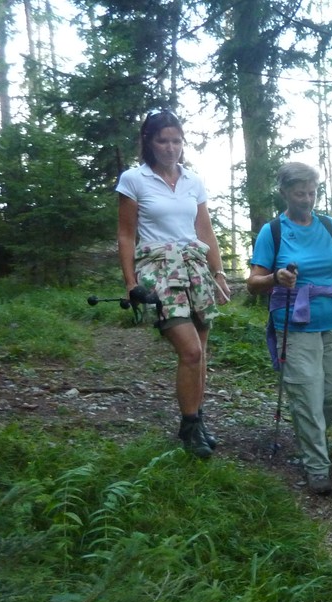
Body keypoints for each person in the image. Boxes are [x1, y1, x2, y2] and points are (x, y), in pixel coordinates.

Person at [246, 161, 332, 495]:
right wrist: (276, 278)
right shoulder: (272, 232)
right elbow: (253, 283)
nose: (307, 199)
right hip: (295, 325)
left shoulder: (329, 227)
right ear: (285, 192)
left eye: (312, 192)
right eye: (300, 192)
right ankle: (317, 467)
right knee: (305, 393)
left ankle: (308, 434)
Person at [116, 109, 230, 459]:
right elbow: (125, 234)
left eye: (176, 140)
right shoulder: (133, 180)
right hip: (158, 268)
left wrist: (219, 272)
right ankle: (188, 425)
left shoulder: (193, 181)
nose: (170, 147)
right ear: (148, 142)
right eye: (162, 140)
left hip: (195, 267)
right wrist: (130, 283)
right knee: (190, 350)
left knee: (201, 353)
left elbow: (204, 229)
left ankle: (197, 421)